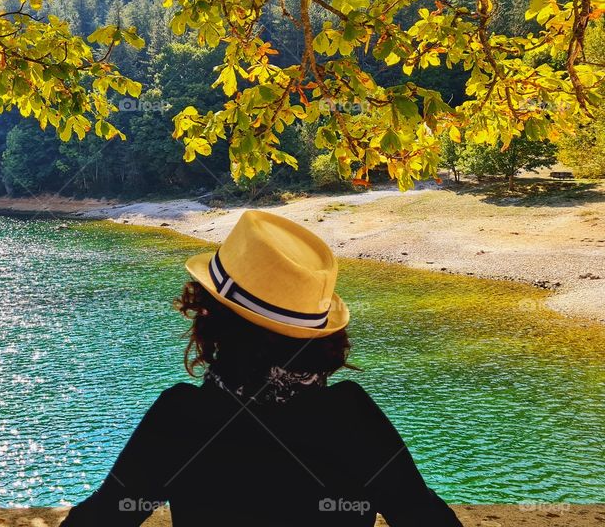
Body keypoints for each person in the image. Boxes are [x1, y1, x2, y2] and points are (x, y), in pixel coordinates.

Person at [61, 210, 463, 526]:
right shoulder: (351, 416)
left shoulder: (181, 416)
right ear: (318, 335)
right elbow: (423, 517)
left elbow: (102, 518)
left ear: (209, 318)